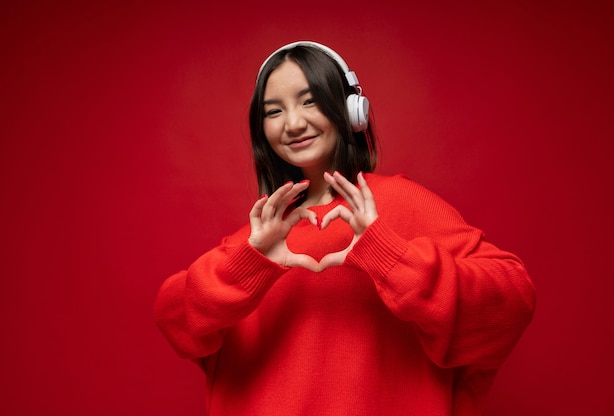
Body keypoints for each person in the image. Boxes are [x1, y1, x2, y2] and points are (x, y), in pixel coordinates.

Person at [154, 41, 536, 416]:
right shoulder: (258, 241)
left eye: (310, 101)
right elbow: (174, 319)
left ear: (352, 110)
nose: (293, 123)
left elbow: (511, 302)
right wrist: (246, 267)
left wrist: (390, 259)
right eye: (274, 111)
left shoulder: (401, 203)